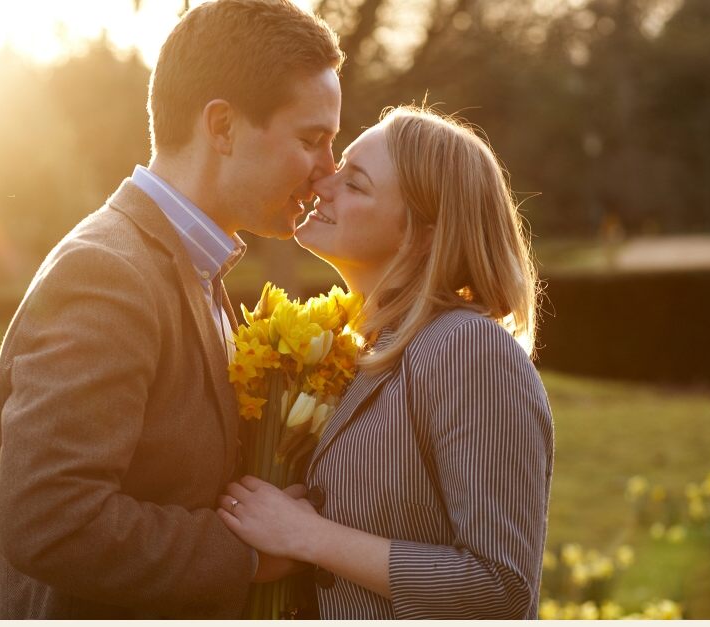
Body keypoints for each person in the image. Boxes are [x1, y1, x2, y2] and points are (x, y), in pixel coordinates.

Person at [0, 0, 342, 619]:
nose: (327, 172)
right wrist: (253, 556)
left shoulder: (195, 270)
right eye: (311, 140)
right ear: (223, 127)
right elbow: (51, 519)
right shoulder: (107, 273)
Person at [218, 106, 555, 619]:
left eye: (355, 184)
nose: (321, 186)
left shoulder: (468, 350)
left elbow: (499, 588)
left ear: (421, 236)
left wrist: (308, 536)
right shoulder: (360, 350)